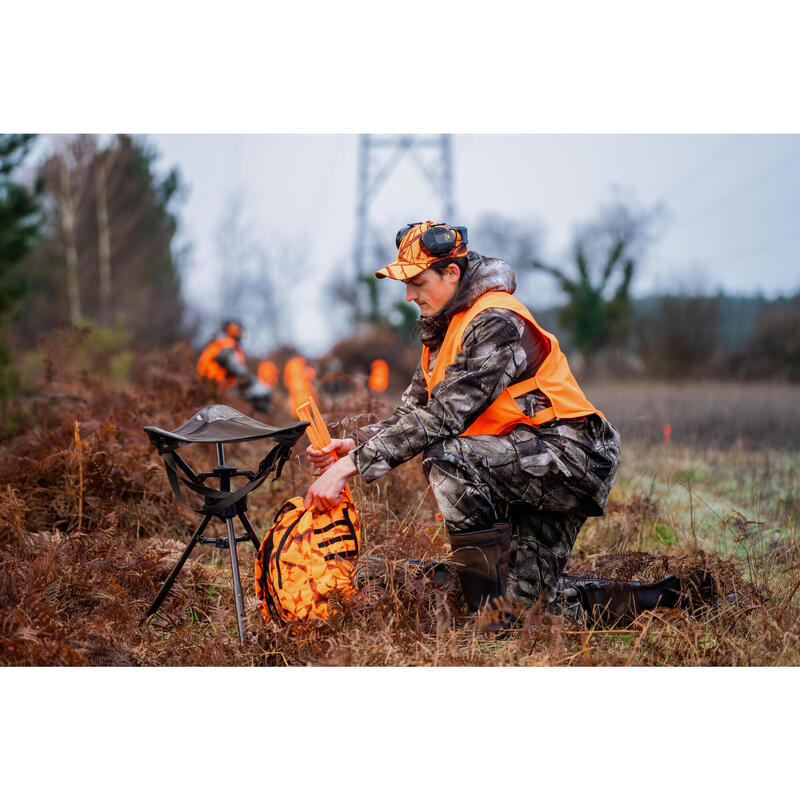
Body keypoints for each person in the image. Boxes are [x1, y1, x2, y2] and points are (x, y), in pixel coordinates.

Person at [305, 221, 621, 621]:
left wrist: (349, 469)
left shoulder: (495, 322)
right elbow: (412, 412)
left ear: (452, 273)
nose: (408, 295)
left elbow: (444, 415)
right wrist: (355, 444)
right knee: (535, 611)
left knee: (447, 456)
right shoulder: (445, 332)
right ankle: (673, 600)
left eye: (418, 282)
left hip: (570, 457)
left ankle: (484, 615)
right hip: (525, 458)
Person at [197, 320, 272, 412]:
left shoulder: (218, 343)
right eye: (240, 330)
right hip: (215, 386)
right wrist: (252, 380)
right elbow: (236, 368)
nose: (242, 334)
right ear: (233, 330)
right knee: (258, 392)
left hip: (207, 385)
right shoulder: (227, 344)